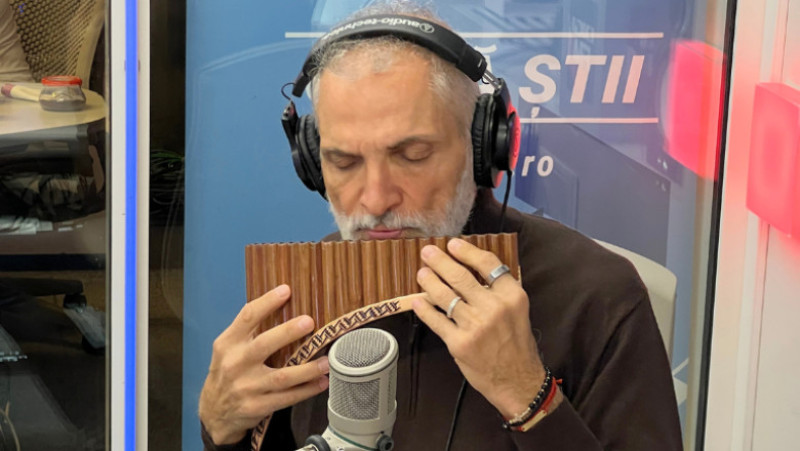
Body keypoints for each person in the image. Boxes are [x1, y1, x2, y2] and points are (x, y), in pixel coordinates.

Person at [199, 2, 682, 450]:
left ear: (481, 148)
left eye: (412, 155)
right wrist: (224, 430)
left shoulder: (598, 298)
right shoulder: (301, 297)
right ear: (311, 162)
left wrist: (530, 398)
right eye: (343, 162)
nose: (376, 199)